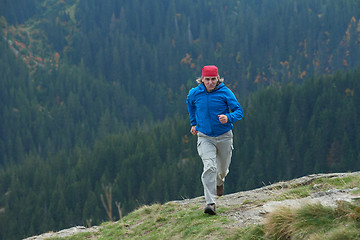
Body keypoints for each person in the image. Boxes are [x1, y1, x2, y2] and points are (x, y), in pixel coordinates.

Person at [186, 65, 244, 215]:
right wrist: (193, 123)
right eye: (207, 79)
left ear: (218, 78)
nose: (210, 82)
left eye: (213, 79)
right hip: (205, 137)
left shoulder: (225, 92)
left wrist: (228, 117)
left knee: (222, 170)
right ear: (202, 79)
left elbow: (239, 111)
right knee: (209, 167)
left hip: (224, 136)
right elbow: (189, 103)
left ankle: (220, 181)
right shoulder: (195, 93)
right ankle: (210, 203)